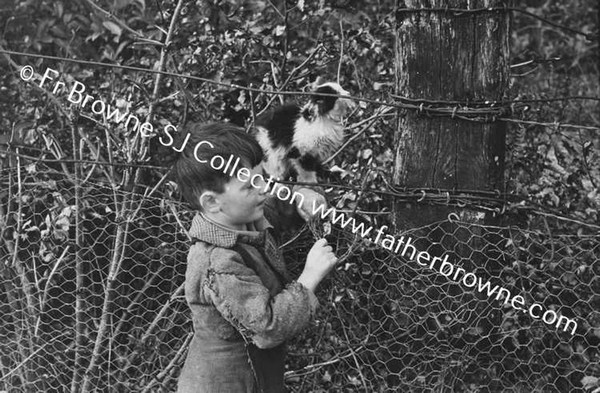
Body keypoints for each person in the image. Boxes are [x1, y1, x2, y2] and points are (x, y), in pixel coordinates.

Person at [173, 122, 338, 393]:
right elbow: (267, 328)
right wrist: (309, 278)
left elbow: (271, 207)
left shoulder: (240, 218)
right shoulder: (219, 263)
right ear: (212, 202)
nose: (262, 188)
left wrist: (300, 197)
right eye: (250, 185)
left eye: (261, 177)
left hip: (254, 377)